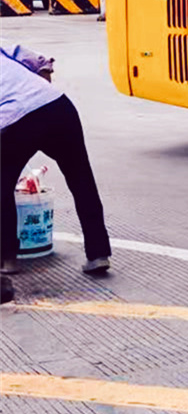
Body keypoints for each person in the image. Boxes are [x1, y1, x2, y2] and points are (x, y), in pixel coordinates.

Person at [1, 42, 112, 285]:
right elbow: (41, 62)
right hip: (57, 105)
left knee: (1, 184)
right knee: (81, 179)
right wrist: (38, 94)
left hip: (17, 119)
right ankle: (98, 253)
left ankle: (7, 258)